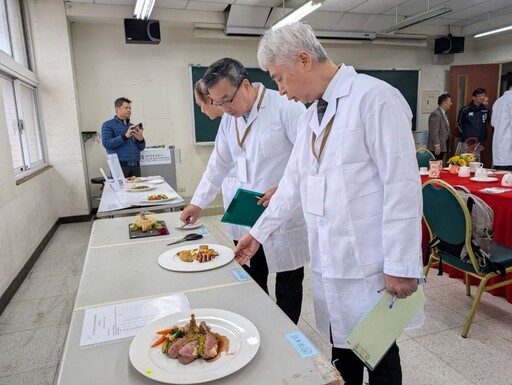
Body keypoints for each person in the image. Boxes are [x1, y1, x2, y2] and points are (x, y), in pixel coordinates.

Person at [233, 22, 424, 385]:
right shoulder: (310, 118)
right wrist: (257, 234)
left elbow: (402, 185)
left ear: (303, 60)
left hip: (371, 265)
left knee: (379, 354)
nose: (281, 91)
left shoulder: (375, 98)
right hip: (330, 263)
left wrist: (402, 263)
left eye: (280, 78)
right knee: (342, 350)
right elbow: (291, 187)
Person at [180, 58, 310, 324]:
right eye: (218, 103)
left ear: (246, 85)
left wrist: (285, 188)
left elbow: (309, 158)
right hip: (247, 216)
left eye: (228, 99)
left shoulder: (285, 106)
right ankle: (261, 328)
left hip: (283, 214)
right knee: (253, 278)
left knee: (288, 282)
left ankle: (287, 335)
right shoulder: (231, 119)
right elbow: (219, 163)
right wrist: (197, 203)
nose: (225, 109)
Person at [101, 97, 145, 177]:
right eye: (126, 108)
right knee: (121, 189)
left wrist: (140, 139)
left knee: (137, 189)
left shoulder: (132, 126)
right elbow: (107, 143)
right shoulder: (108, 125)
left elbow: (142, 147)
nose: (129, 110)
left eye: (130, 108)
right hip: (119, 166)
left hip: (135, 166)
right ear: (117, 109)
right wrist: (125, 136)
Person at [491, 79, 512, 171]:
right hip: (509, 142)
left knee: (500, 172)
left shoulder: (498, 101)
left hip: (498, 141)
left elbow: (492, 123)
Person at [427, 93, 452, 163]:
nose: (451, 103)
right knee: (435, 165)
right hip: (436, 147)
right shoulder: (436, 114)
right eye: (449, 101)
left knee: (439, 164)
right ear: (444, 103)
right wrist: (437, 145)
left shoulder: (443, 114)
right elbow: (434, 131)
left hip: (442, 145)